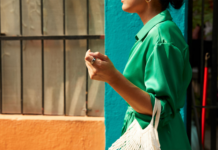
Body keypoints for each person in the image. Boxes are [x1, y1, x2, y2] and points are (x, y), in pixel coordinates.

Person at [84, 0, 192, 149]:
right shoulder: (153, 34)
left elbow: (161, 110)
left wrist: (113, 77)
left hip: (161, 142)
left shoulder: (161, 36)